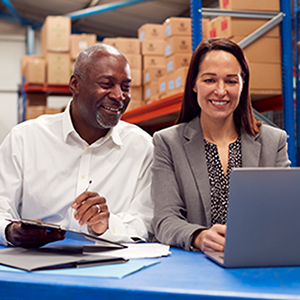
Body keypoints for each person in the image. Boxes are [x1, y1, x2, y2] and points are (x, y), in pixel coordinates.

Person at [0, 43, 153, 248]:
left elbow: (146, 221)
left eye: (125, 87)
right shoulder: (25, 139)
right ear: (75, 84)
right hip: (34, 264)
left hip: (111, 268)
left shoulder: (142, 147)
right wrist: (10, 231)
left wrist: (108, 226)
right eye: (107, 84)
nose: (119, 96)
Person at [151, 38, 290, 252]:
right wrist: (199, 236)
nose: (221, 90)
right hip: (197, 266)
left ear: (243, 86)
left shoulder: (274, 141)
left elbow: (284, 212)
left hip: (256, 262)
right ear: (194, 84)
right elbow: (164, 220)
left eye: (231, 81)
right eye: (209, 80)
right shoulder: (168, 143)